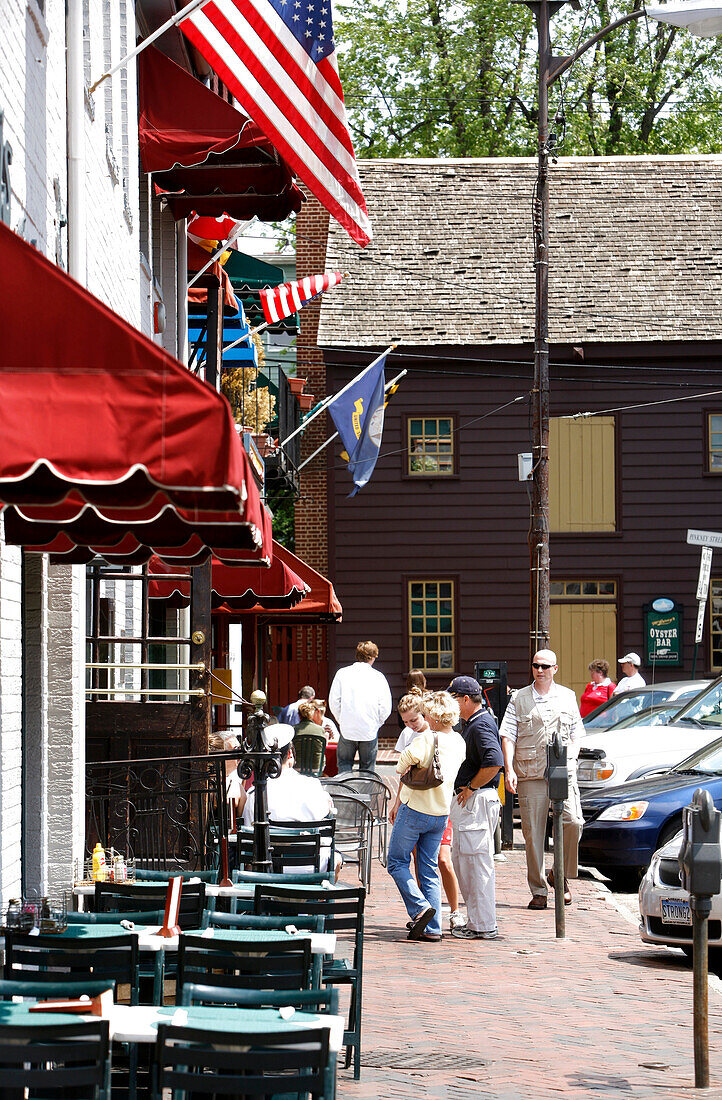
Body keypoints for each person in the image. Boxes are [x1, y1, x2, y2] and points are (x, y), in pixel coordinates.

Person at [500, 649, 584, 910]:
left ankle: (559, 875)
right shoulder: (519, 699)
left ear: (555, 669)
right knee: (533, 833)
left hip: (562, 771)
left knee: (573, 822)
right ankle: (538, 890)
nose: (539, 670)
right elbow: (508, 735)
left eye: (545, 666)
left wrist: (572, 757)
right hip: (530, 772)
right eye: (536, 665)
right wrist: (509, 770)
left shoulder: (568, 697)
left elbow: (576, 732)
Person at [387, 691, 466, 942]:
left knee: (396, 862)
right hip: (441, 812)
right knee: (429, 868)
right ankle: (433, 929)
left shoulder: (426, 739)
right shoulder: (459, 741)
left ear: (433, 715)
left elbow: (401, 764)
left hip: (415, 809)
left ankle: (421, 909)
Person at [446, 675, 504, 940]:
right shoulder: (475, 721)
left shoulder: (480, 724)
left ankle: (482, 925)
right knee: (466, 862)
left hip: (478, 799)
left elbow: (494, 762)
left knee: (475, 864)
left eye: (454, 698)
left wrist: (470, 788)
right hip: (475, 800)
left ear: (465, 699)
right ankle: (478, 922)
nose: (451, 704)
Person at [242, 725, 338, 874]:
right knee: (336, 858)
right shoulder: (312, 786)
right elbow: (324, 814)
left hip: (268, 871)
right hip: (312, 867)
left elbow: (248, 835)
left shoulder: (255, 793)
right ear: (290, 755)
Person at [328, 641, 392, 773]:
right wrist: (377, 723)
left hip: (347, 728)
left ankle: (345, 793)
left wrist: (342, 720)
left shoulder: (342, 673)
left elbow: (334, 701)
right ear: (372, 657)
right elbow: (385, 706)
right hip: (369, 729)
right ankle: (366, 794)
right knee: (367, 768)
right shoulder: (378, 677)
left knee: (344, 764)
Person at [210, 730, 247, 827]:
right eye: (236, 749)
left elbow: (241, 821)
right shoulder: (201, 783)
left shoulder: (236, 786)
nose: (239, 754)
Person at [294, 698, 328, 773]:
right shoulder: (320, 730)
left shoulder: (293, 730)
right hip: (316, 768)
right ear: (312, 715)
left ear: (299, 715)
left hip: (297, 768)